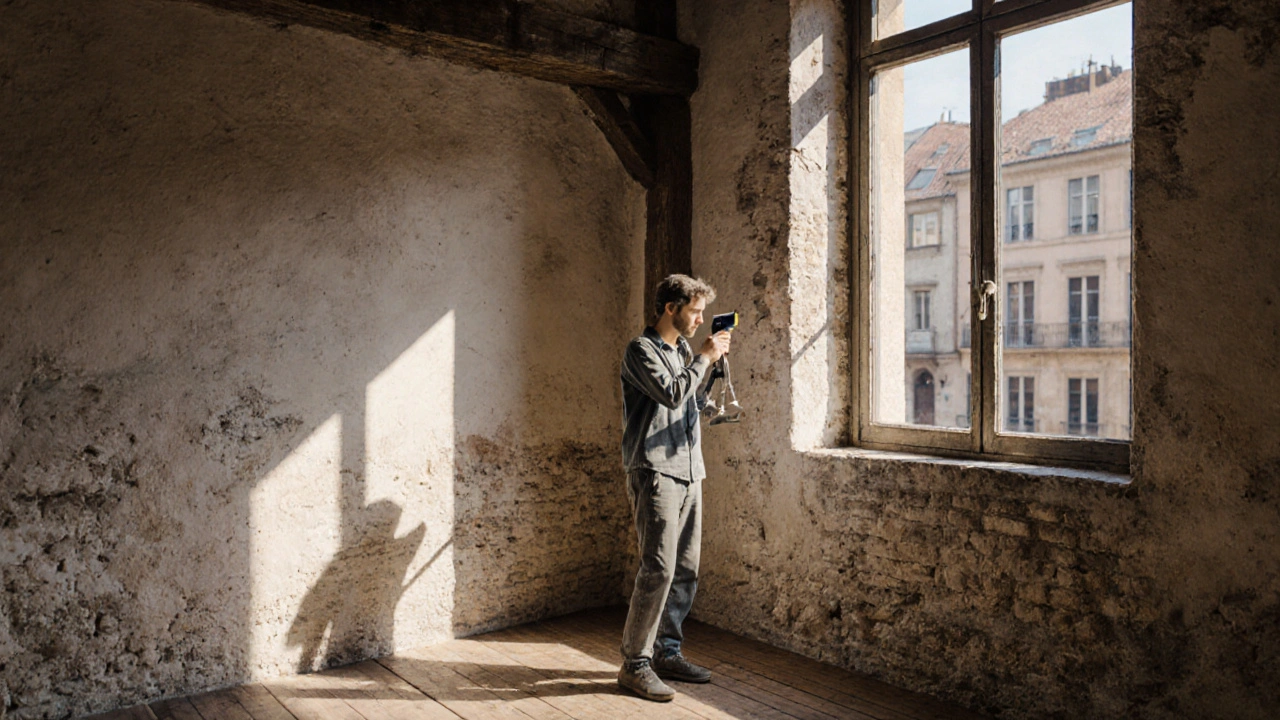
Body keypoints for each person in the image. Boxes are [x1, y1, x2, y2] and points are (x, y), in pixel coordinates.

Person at [616, 274, 731, 702]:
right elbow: (669, 393)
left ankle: (666, 652)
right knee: (658, 568)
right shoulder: (639, 351)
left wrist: (710, 376)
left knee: (685, 569)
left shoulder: (684, 351)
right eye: (695, 311)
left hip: (689, 468)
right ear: (671, 308)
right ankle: (635, 664)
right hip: (655, 470)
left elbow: (687, 404)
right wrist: (703, 360)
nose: (701, 320)